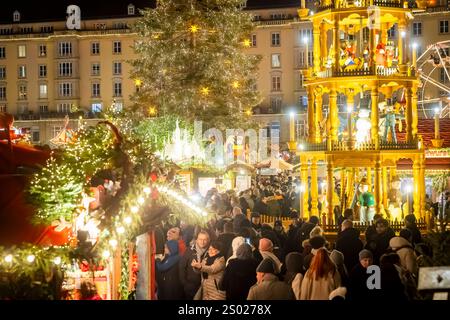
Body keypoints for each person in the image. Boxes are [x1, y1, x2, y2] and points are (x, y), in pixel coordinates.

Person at [179, 230, 210, 300]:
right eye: (200, 239)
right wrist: (185, 283)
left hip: (206, 287)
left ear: (208, 240)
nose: (202, 242)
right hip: (191, 286)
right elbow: (182, 267)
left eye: (205, 240)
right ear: (197, 240)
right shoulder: (189, 250)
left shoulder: (211, 251)